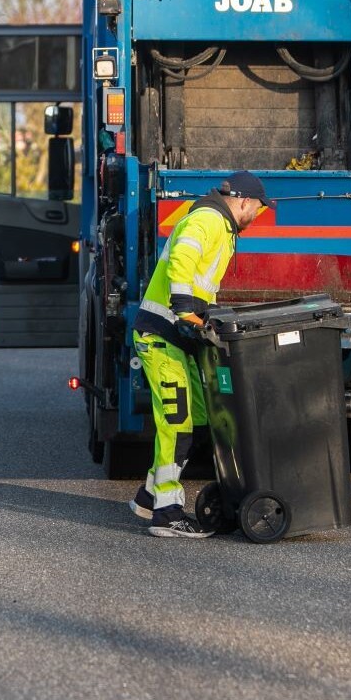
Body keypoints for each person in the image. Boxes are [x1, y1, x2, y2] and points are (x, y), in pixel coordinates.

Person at [127, 170, 269, 538]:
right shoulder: (207, 219)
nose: (257, 215)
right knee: (176, 421)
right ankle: (166, 512)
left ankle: (148, 497)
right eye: (256, 207)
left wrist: (205, 318)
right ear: (242, 201)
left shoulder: (222, 228)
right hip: (161, 334)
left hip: (179, 337)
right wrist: (184, 305)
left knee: (200, 417)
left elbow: (203, 281)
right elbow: (183, 256)